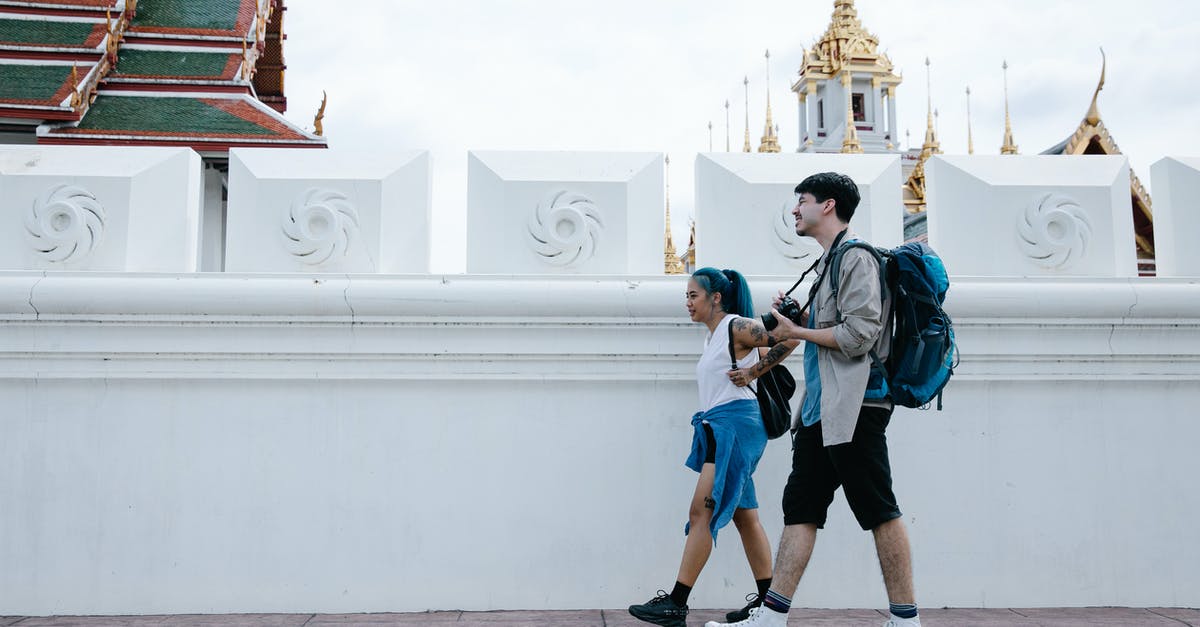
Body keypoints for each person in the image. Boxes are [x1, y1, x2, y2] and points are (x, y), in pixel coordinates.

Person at [705, 172, 921, 627]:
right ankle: (772, 616)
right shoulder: (827, 264)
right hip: (820, 412)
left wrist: (797, 329)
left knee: (879, 509)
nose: (794, 210)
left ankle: (906, 620)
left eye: (801, 201)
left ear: (827, 206)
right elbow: (813, 334)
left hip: (856, 409)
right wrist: (788, 329)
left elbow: (860, 335)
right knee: (800, 509)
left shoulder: (857, 258)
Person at [629, 267, 800, 627]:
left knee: (700, 513)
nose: (688, 302)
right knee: (745, 517)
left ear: (716, 297)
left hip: (735, 426)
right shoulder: (714, 336)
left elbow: (789, 337)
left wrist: (754, 373)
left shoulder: (737, 326)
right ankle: (768, 605)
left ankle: (676, 603)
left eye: (694, 295)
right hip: (721, 426)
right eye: (686, 296)